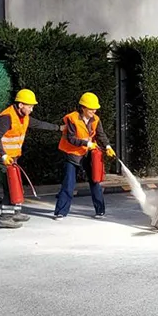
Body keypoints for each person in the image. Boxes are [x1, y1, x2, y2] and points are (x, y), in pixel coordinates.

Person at [0, 88, 59, 229]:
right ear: (21, 105)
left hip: (13, 157)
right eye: (30, 106)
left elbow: (40, 124)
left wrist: (59, 128)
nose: (31, 109)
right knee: (10, 186)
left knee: (15, 184)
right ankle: (5, 218)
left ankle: (15, 213)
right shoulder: (6, 117)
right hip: (2, 158)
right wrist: (4, 155)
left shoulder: (24, 117)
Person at [54, 92, 115, 220]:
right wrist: (87, 143)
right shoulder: (72, 119)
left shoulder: (96, 119)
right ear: (83, 107)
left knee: (95, 181)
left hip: (88, 155)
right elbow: (71, 138)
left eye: (95, 108)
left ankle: (100, 211)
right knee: (69, 184)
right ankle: (61, 212)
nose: (94, 110)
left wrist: (108, 146)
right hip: (72, 155)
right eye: (91, 108)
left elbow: (100, 134)